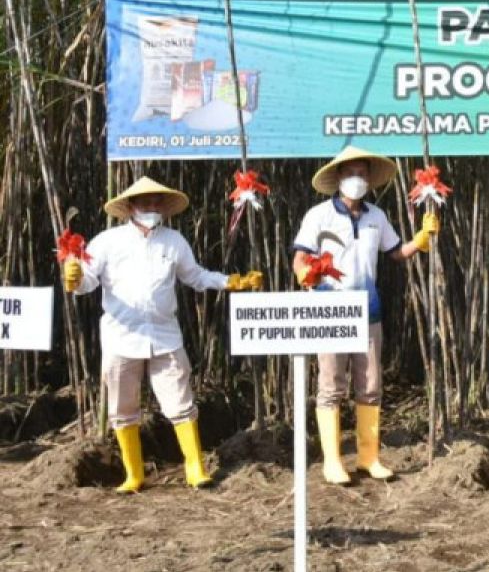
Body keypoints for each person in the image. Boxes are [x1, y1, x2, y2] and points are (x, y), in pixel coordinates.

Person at [60, 176, 262, 492]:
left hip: (165, 335)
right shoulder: (107, 241)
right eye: (144, 202)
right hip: (121, 336)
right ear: (130, 207)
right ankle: (134, 474)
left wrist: (230, 281)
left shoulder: (174, 241)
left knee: (180, 400)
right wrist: (73, 278)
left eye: (156, 203)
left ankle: (195, 467)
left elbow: (194, 277)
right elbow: (88, 282)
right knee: (123, 408)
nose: (151, 207)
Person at [292, 146, 437, 485]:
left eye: (362, 173)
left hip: (368, 311)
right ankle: (332, 461)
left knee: (370, 384)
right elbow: (300, 257)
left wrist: (421, 240)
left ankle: (369, 457)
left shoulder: (377, 216)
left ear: (370, 180)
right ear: (338, 177)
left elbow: (396, 252)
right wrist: (304, 274)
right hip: (329, 310)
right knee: (331, 384)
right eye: (351, 172)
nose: (357, 179)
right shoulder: (318, 216)